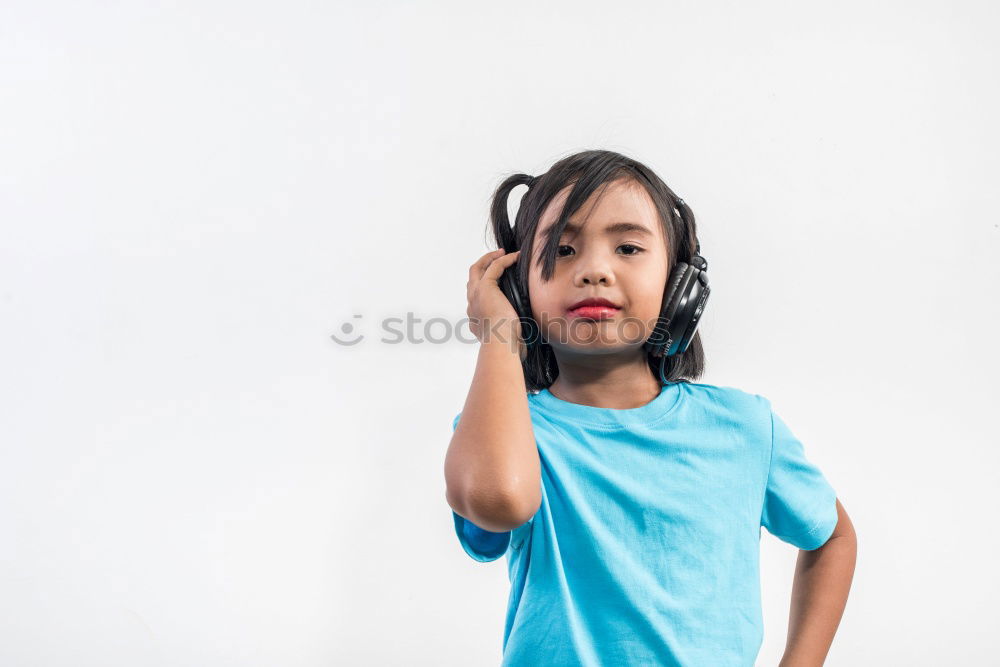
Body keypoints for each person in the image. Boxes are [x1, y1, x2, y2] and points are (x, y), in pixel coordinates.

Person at [443, 149, 857, 666]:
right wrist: (499, 338)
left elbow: (832, 535)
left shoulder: (744, 428)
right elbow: (498, 501)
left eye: (628, 247)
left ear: (680, 285)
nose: (594, 270)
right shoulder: (504, 432)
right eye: (563, 250)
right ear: (518, 290)